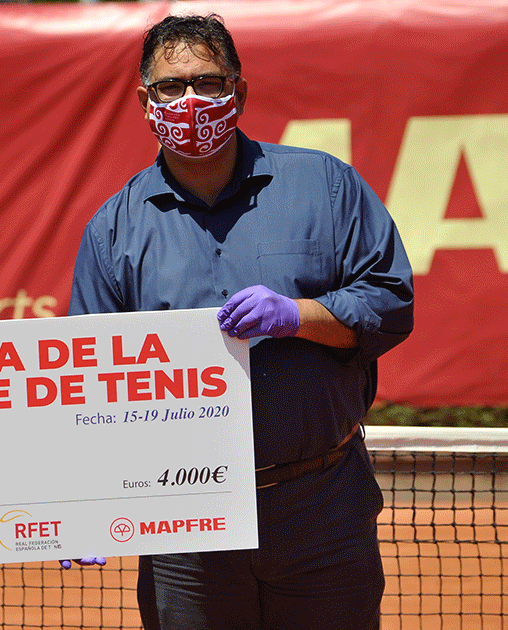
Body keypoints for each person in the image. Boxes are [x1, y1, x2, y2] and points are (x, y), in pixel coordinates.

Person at [69, 14, 414, 630]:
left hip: (321, 507)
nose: (190, 100)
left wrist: (301, 316)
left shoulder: (325, 187)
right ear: (146, 100)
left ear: (241, 91)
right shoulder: (114, 230)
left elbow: (390, 302)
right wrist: (87, 502)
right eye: (171, 87)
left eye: (207, 80)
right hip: (186, 528)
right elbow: (89, 381)